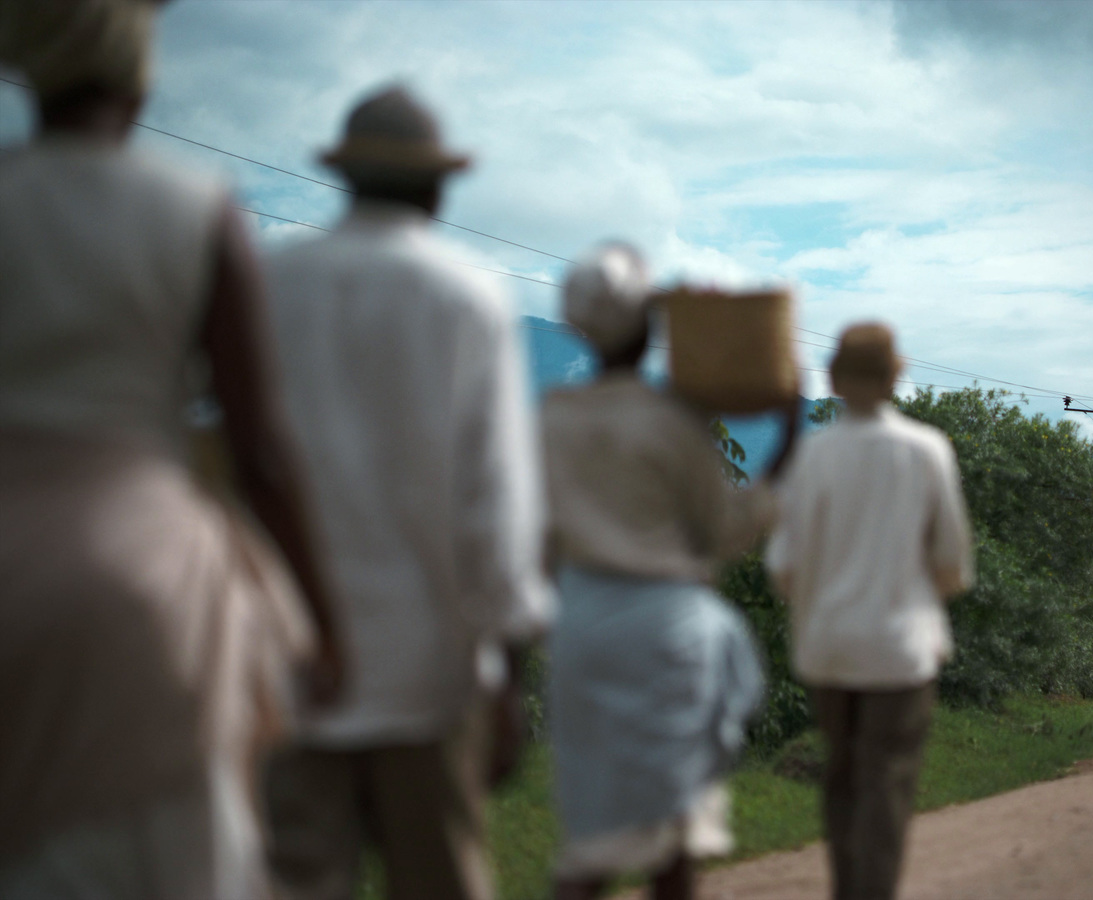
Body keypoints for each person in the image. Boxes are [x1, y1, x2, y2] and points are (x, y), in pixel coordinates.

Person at [0, 1, 344, 897]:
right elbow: (260, 447)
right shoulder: (193, 211)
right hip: (149, 580)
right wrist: (327, 629)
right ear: (138, 70)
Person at [260, 85, 547, 900]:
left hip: (292, 669)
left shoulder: (273, 282)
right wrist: (509, 674)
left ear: (345, 177)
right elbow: (495, 509)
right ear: (436, 187)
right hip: (429, 674)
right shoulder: (468, 296)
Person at [542, 244, 798, 900]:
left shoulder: (549, 418)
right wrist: (789, 438)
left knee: (591, 828)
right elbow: (725, 532)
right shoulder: (672, 420)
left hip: (577, 624)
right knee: (672, 831)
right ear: (651, 328)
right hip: (666, 631)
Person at [764, 322, 974, 900]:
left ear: (832, 378)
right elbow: (952, 563)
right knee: (885, 788)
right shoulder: (927, 451)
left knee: (842, 780)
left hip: (830, 648)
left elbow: (783, 565)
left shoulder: (811, 455)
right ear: (895, 375)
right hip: (900, 651)